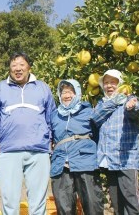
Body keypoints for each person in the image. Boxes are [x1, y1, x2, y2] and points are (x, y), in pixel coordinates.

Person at [0, 52, 56, 215]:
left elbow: (51, 116)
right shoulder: (0, 88)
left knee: (38, 201)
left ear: (29, 67)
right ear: (9, 69)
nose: (18, 69)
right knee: (9, 201)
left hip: (38, 151)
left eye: (21, 65)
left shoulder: (42, 88)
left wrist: (50, 141)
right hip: (8, 151)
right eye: (14, 66)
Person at [92, 69, 139, 215]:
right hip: (108, 159)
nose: (109, 86)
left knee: (131, 199)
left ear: (120, 83)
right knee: (116, 202)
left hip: (126, 159)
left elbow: (137, 109)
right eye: (106, 83)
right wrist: (114, 101)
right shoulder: (101, 103)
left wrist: (133, 105)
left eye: (113, 82)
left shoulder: (129, 99)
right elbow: (95, 118)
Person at [50, 79, 104, 215]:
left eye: (70, 92)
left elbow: (99, 135)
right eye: (63, 92)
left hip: (85, 161)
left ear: (78, 93)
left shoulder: (88, 112)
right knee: (64, 207)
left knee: (92, 204)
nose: (66, 95)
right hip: (60, 164)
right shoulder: (54, 115)